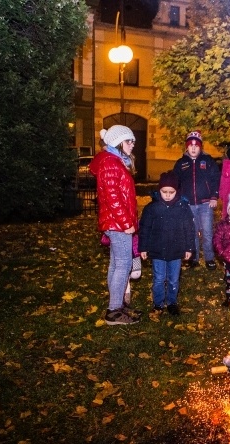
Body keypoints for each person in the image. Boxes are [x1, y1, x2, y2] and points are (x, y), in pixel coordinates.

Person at [91, 125, 140, 326]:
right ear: (117, 143)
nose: (132, 145)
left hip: (115, 222)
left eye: (133, 141)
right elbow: (113, 198)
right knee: (123, 265)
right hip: (118, 223)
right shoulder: (111, 164)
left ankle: (117, 303)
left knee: (116, 264)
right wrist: (127, 223)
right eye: (129, 141)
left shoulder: (114, 161)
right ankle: (113, 311)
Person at [137, 172, 197, 316]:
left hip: (176, 250)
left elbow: (189, 229)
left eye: (171, 192)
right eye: (164, 192)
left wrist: (189, 247)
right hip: (157, 250)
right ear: (159, 190)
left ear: (177, 191)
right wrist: (143, 247)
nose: (168, 195)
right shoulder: (152, 208)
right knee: (158, 278)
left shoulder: (183, 207)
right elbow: (145, 228)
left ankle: (172, 302)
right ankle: (158, 303)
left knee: (173, 279)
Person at [173, 131, 221, 270]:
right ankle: (194, 257)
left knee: (207, 231)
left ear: (201, 147)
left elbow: (215, 180)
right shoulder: (181, 163)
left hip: (206, 203)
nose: (193, 148)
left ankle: (209, 258)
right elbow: (176, 182)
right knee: (192, 231)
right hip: (188, 204)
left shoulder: (208, 161)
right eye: (190, 145)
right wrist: (178, 199)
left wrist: (214, 196)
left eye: (196, 145)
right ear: (186, 147)